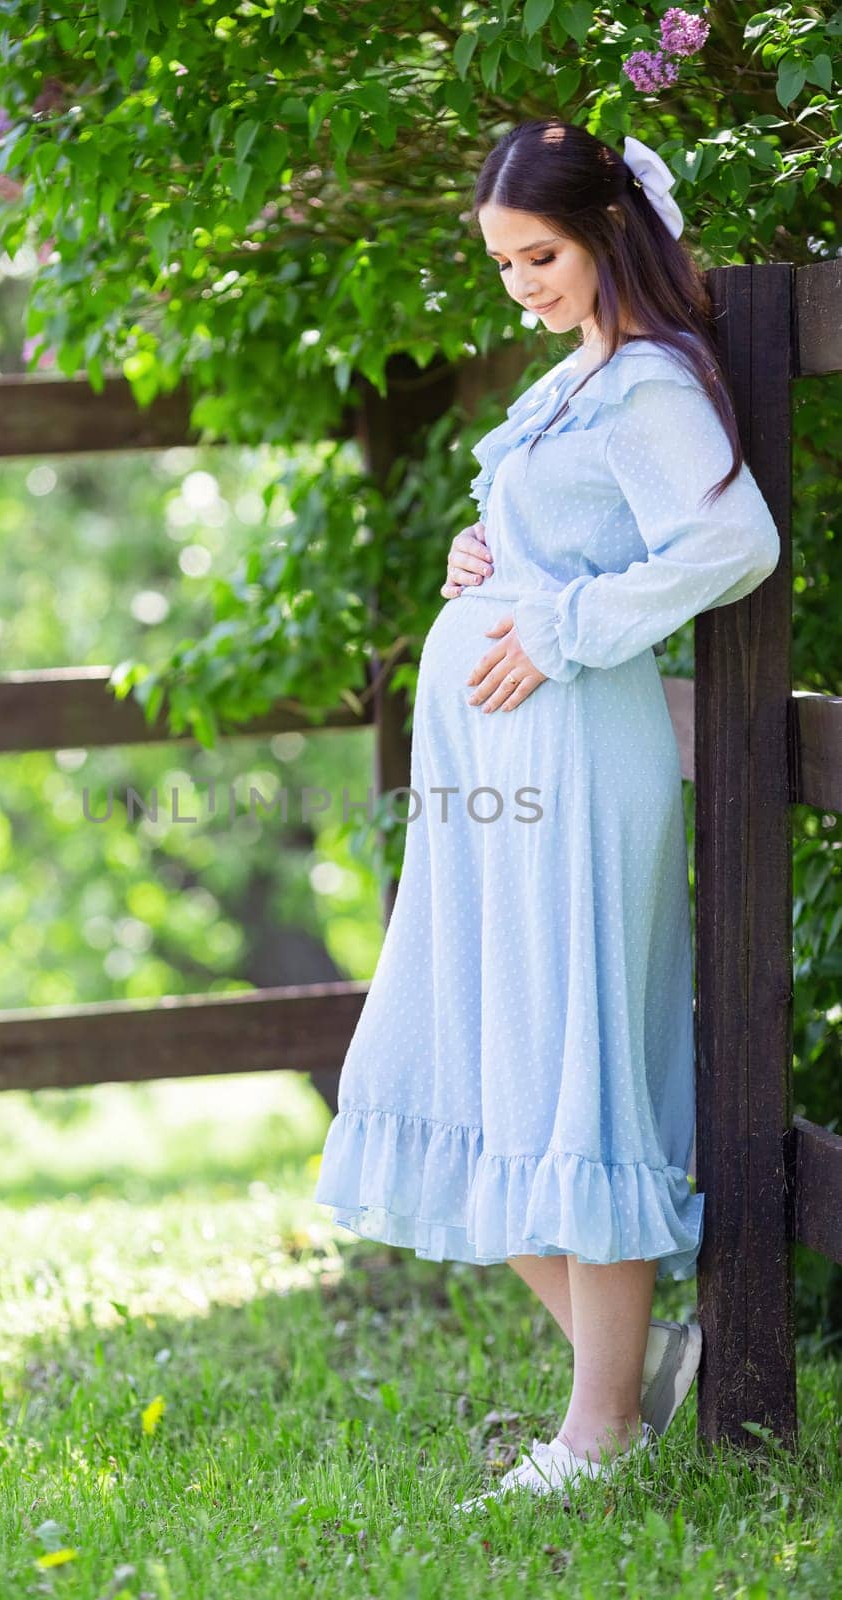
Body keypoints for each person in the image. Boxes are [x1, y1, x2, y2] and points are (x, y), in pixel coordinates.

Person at [312, 117, 781, 1501]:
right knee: (459, 1062)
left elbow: (731, 543)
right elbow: (579, 528)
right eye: (505, 260)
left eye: (543, 254)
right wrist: (498, 550)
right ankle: (634, 1376)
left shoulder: (645, 384)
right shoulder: (578, 379)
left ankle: (599, 1432)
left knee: (567, 1059)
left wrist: (565, 620)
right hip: (496, 781)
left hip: (576, 760)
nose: (522, 281)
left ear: (610, 234)